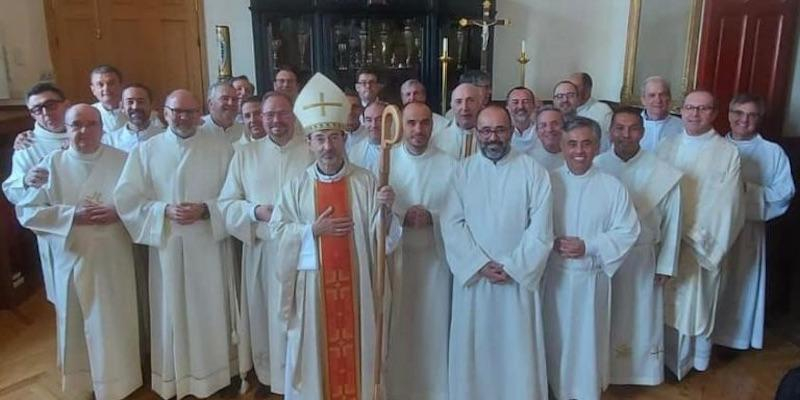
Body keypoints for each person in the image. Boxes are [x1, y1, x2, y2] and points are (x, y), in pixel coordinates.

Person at [268, 73, 401, 400]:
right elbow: (278, 232)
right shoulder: (297, 187)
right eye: (321, 138)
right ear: (309, 143)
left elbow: (382, 238)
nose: (328, 146)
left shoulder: (367, 182)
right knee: (318, 359)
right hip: (314, 295)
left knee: (357, 356)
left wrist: (385, 211)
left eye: (335, 138)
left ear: (345, 139)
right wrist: (311, 232)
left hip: (358, 292)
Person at [114, 89, 241, 399]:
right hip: (167, 242)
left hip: (208, 242)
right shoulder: (145, 151)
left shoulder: (222, 148)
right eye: (177, 111)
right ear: (165, 112)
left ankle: (216, 375)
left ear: (201, 113)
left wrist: (208, 208)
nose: (183, 117)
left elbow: (236, 195)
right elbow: (127, 199)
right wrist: (162, 210)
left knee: (211, 307)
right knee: (171, 308)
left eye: (190, 111)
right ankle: (175, 378)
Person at [17, 104, 142, 400]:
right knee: (77, 321)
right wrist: (72, 215)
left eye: (90, 124)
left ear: (101, 128)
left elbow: (142, 204)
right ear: (67, 128)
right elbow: (28, 212)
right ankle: (83, 384)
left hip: (114, 256)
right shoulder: (52, 164)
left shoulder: (124, 161)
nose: (83, 131)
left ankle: (120, 382)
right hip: (72, 256)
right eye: (76, 125)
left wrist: (118, 212)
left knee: (114, 318)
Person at [442, 105, 553, 400]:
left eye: (500, 130)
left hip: (516, 281)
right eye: (486, 130)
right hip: (475, 281)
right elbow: (452, 224)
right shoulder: (462, 172)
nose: (493, 137)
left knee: (516, 350)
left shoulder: (534, 172)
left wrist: (515, 266)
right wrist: (478, 264)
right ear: (477, 133)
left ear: (512, 131)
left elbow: (541, 229)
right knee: (474, 349)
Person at [219, 91, 313, 396]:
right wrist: (254, 210)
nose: (275, 121)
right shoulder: (245, 154)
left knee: (301, 318)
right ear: (260, 117)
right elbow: (226, 204)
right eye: (269, 114)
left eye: (282, 113)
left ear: (293, 115)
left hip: (303, 254)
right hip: (262, 251)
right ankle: (271, 377)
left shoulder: (311, 150)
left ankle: (303, 377)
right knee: (266, 318)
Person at [544, 117, 640, 400]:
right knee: (555, 337)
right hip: (554, 278)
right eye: (572, 143)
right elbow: (531, 224)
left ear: (598, 147)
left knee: (586, 341)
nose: (579, 151)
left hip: (591, 278)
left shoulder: (612, 187)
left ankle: (584, 391)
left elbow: (628, 230)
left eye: (587, 144)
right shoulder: (549, 182)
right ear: (562, 145)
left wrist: (589, 245)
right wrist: (549, 242)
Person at [656, 90, 744, 380]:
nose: (694, 114)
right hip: (667, 239)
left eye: (703, 109)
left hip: (699, 245)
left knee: (694, 304)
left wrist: (692, 234)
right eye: (689, 108)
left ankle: (690, 361)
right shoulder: (667, 146)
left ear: (715, 113)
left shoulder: (727, 153)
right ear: (681, 111)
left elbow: (728, 204)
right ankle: (660, 361)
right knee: (662, 304)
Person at [595, 107, 683, 386]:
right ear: (610, 133)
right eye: (619, 128)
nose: (625, 135)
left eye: (633, 129)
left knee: (638, 317)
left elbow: (673, 222)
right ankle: (601, 371)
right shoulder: (596, 165)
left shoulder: (663, 173)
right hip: (605, 258)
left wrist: (666, 264)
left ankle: (638, 373)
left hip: (643, 258)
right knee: (603, 315)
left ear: (642, 133)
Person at [385, 102, 456, 400]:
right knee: (399, 327)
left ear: (432, 126)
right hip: (398, 259)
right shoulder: (386, 162)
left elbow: (460, 213)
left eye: (424, 123)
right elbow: (374, 213)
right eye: (412, 122)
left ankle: (435, 390)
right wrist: (397, 216)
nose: (418, 130)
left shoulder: (451, 164)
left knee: (434, 327)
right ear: (401, 125)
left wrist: (434, 218)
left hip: (435, 261)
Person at [714, 94, 795, 350]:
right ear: (728, 114)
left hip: (748, 231)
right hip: (714, 230)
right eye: (738, 113)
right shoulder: (713, 147)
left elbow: (783, 193)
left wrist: (744, 191)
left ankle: (732, 340)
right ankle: (707, 338)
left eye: (751, 115)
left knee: (741, 284)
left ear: (759, 119)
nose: (743, 120)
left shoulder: (772, 152)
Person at [2, 82, 70, 303]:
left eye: (51, 105)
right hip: (57, 230)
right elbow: (12, 189)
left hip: (98, 223)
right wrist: (26, 179)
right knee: (66, 296)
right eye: (37, 109)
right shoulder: (27, 146)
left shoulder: (89, 130)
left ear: (65, 104)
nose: (45, 113)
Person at [102, 83, 164, 152]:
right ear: (122, 107)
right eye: (130, 102)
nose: (135, 107)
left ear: (151, 105)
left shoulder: (164, 137)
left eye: (141, 102)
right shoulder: (109, 142)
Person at [430, 83, 482, 159]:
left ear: (480, 104)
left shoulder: (491, 138)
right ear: (451, 105)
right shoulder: (437, 140)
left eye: (470, 101)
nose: (464, 107)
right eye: (458, 102)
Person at [568, 72, 614, 152]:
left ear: (587, 89)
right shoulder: (564, 110)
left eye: (575, 87)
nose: (570, 90)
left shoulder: (602, 111)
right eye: (569, 86)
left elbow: (607, 146)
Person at [639, 76, 682, 151]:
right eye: (652, 95)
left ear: (669, 99)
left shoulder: (682, 127)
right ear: (643, 100)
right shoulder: (632, 125)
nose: (658, 100)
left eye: (662, 95)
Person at [347, 100, 386, 176]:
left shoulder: (401, 148)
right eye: (369, 120)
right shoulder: (355, 151)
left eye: (379, 119)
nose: (374, 125)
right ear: (364, 122)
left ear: (389, 120)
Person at [89, 64, 127, 132]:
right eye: (100, 84)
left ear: (121, 86)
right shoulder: (88, 113)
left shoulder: (134, 109)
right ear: (93, 90)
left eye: (111, 83)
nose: (106, 88)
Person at [529, 105, 565, 170]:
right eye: (543, 125)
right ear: (537, 131)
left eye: (555, 124)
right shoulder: (530, 160)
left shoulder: (576, 154)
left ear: (565, 127)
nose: (549, 129)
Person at [506, 86, 539, 154]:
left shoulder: (543, 132)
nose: (520, 106)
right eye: (515, 102)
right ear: (507, 107)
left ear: (533, 106)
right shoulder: (500, 133)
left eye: (525, 102)